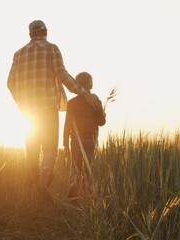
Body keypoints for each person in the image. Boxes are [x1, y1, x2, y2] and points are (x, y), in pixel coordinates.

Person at [7, 20, 100, 201]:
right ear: (46, 32)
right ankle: (44, 177)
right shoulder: (52, 49)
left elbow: (10, 83)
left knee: (32, 148)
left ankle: (33, 181)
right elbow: (62, 74)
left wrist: (21, 102)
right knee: (50, 148)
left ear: (30, 35)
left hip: (28, 111)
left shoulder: (18, 54)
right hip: (48, 108)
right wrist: (83, 92)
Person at [63, 72, 106, 201]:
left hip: (75, 140)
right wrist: (103, 115)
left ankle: (74, 188)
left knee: (75, 166)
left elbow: (67, 125)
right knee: (89, 166)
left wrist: (65, 143)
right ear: (90, 84)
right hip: (91, 140)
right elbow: (101, 122)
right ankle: (88, 192)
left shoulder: (71, 103)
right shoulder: (96, 100)